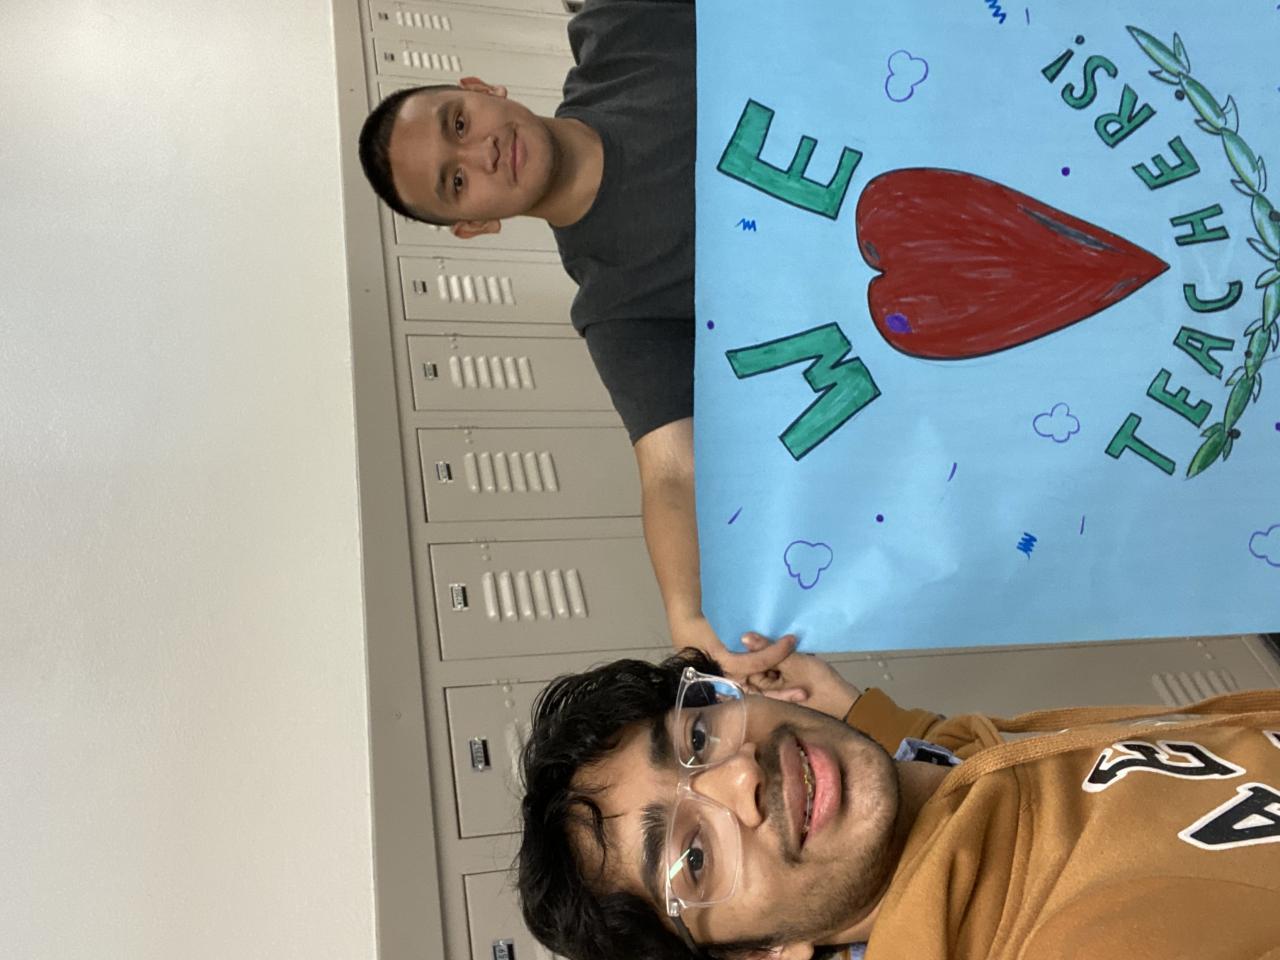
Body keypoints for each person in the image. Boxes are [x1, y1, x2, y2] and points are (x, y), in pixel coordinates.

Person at [355, 0, 797, 683]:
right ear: (474, 227)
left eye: (459, 123)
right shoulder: (617, 308)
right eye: (457, 181)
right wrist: (686, 615)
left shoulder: (622, 32)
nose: (481, 153)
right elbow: (670, 472)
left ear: (479, 88)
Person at [515, 647, 1280, 959]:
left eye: (699, 736)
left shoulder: (961, 771)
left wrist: (878, 719)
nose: (738, 777)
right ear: (757, 956)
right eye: (692, 855)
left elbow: (962, 769)